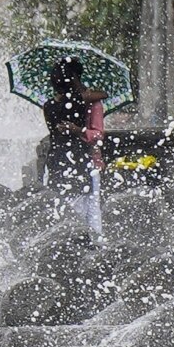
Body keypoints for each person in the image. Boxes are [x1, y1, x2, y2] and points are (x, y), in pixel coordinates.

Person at [42, 56, 107, 236]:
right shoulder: (81, 101)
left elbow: (98, 134)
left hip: (61, 160)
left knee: (66, 206)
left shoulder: (49, 106)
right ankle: (91, 242)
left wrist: (78, 131)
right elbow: (102, 94)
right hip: (78, 160)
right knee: (87, 209)